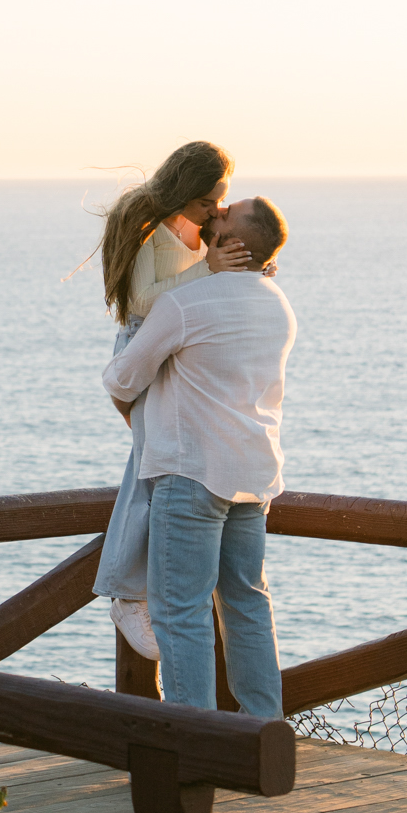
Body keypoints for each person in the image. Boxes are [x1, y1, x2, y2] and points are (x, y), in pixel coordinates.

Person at [102, 196, 294, 716]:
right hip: (253, 477)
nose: (217, 210)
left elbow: (121, 377)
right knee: (247, 606)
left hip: (191, 474)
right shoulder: (278, 303)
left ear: (233, 242)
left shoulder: (185, 304)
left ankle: (195, 747)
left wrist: (140, 412)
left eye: (227, 213)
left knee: (180, 612)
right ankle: (262, 733)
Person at [93, 141, 251, 660]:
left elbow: (200, 281)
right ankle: (125, 593)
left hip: (173, 345)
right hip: (145, 346)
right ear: (185, 189)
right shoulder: (145, 219)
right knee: (148, 465)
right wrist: (210, 270)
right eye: (208, 200)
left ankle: (142, 591)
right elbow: (141, 299)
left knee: (155, 464)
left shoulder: (189, 222)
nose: (216, 210)